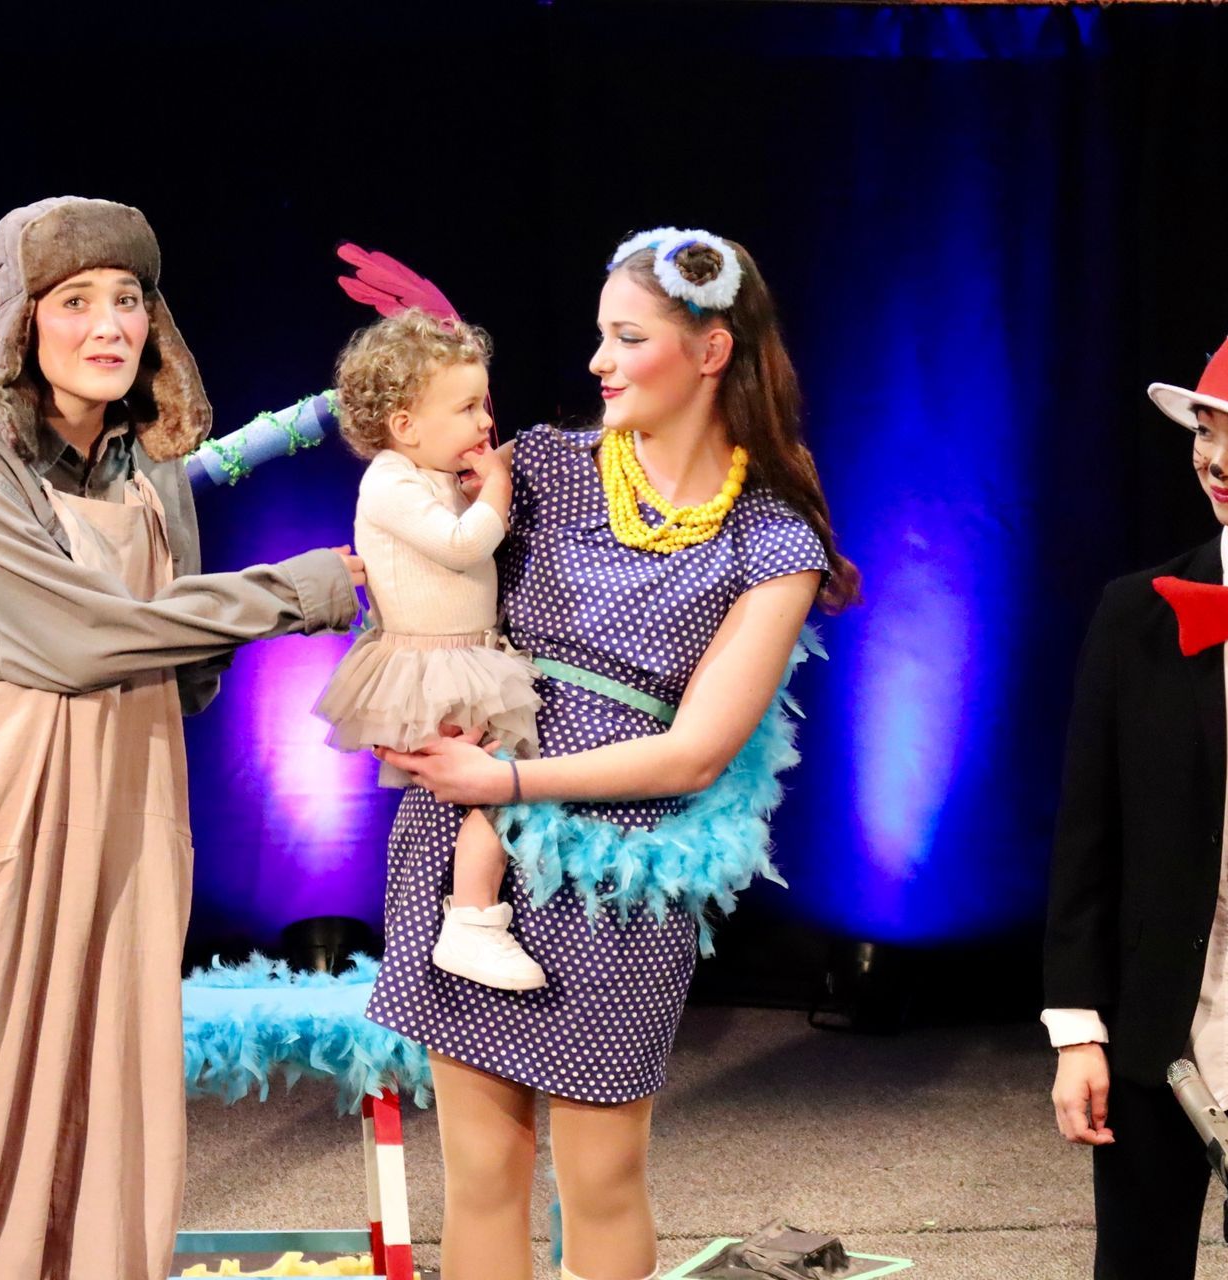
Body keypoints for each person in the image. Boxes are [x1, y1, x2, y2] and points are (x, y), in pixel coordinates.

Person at [0, 196, 362, 1280]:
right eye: (74, 301)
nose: (107, 326)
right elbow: (85, 636)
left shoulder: (150, 470)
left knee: (104, 1113)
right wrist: (294, 591)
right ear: (23, 323)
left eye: (127, 299)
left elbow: (173, 668)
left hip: (120, 823)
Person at [367, 227, 857, 1280]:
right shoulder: (536, 468)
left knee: (599, 1178)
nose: (597, 360)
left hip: (617, 878)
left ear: (710, 351)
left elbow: (693, 752)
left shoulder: (769, 540)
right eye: (599, 335)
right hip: (474, 863)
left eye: (626, 337)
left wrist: (505, 780)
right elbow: (407, 553)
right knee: (481, 1170)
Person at [1045, 246, 1228, 1279]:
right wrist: (1076, 1031)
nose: (1217, 460)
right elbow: (1087, 839)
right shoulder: (1138, 614)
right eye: (1207, 433)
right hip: (1159, 1040)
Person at [313, 308, 546, 990]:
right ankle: (472, 920)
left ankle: (464, 919)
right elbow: (462, 545)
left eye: (485, 404)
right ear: (406, 425)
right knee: (494, 782)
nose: (484, 423)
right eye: (468, 408)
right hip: (428, 665)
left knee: (493, 785)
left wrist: (482, 481)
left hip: (469, 654)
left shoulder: (433, 474)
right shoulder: (389, 481)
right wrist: (495, 491)